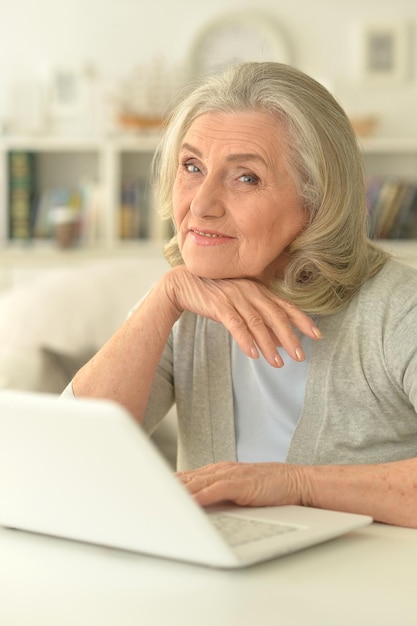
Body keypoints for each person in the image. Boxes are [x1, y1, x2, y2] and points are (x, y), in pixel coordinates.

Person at [64, 62, 417, 528]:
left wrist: (297, 485)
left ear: (317, 201)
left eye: (245, 177)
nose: (201, 204)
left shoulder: (398, 308)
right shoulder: (183, 306)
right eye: (192, 167)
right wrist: (164, 298)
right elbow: (67, 461)